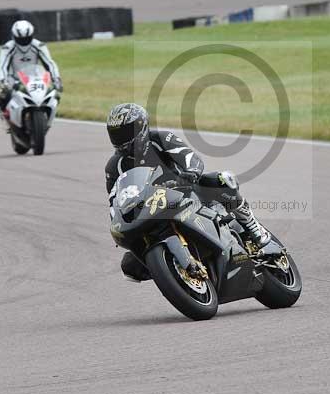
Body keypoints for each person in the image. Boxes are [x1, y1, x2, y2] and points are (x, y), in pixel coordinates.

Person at [105, 103, 271, 281]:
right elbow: (116, 199)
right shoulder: (115, 166)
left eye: (126, 132)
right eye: (117, 134)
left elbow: (190, 157)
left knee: (222, 180)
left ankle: (254, 227)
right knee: (129, 266)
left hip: (187, 191)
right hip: (154, 208)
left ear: (142, 127)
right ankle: (172, 269)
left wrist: (190, 172)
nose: (122, 138)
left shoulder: (160, 139)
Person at [0, 20, 63, 117]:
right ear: (14, 36)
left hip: (35, 77)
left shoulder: (39, 45)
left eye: (26, 39)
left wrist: (56, 79)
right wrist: (3, 81)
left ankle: (48, 114)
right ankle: (7, 116)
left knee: (54, 94)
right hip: (14, 78)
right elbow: (2, 66)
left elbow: (50, 63)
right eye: (21, 39)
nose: (24, 42)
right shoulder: (8, 47)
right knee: (3, 96)